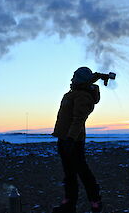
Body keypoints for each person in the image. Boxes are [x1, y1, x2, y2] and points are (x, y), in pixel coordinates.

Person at [52, 67, 103, 213]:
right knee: (69, 173)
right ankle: (69, 203)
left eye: (75, 76)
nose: (71, 79)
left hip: (73, 141)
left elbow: (79, 120)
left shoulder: (83, 96)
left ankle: (95, 201)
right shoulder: (76, 92)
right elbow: (89, 79)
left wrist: (70, 139)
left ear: (80, 79)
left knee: (82, 172)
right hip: (65, 139)